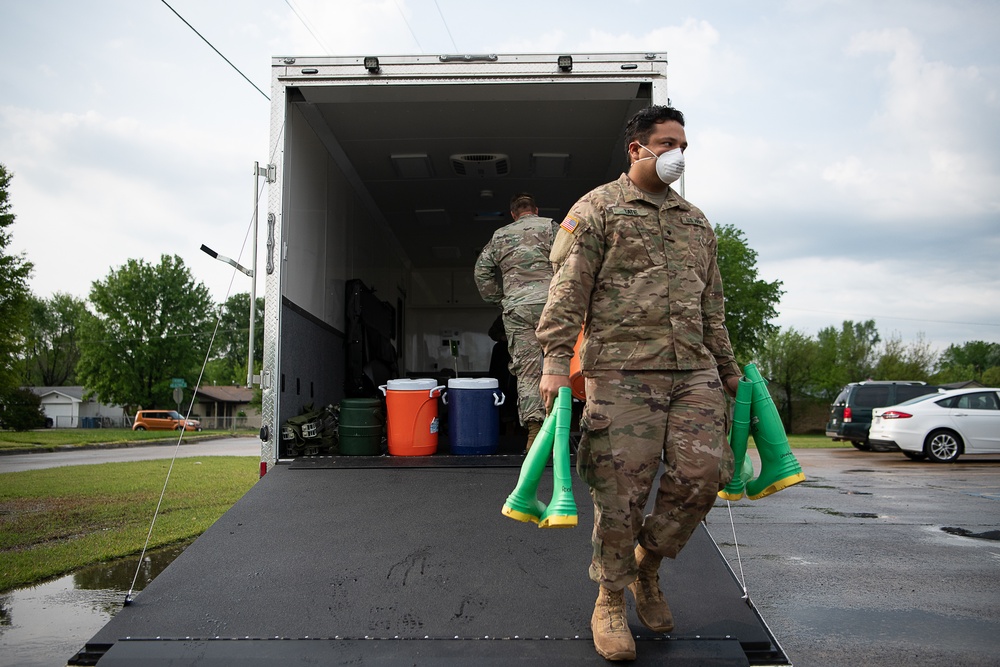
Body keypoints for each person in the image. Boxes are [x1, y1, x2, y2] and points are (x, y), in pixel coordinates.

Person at [536, 106, 741, 661]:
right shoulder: (598, 209)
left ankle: (647, 568)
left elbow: (713, 305)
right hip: (622, 372)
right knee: (620, 492)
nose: (679, 154)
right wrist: (555, 361)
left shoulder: (696, 221)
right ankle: (610, 598)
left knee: (704, 475)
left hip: (693, 370)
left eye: (684, 145)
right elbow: (568, 290)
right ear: (638, 149)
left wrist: (726, 365)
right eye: (669, 143)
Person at [474, 193, 559, 451]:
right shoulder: (551, 227)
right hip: (552, 306)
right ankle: (562, 430)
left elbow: (481, 271)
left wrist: (500, 299)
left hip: (518, 309)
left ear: (513, 214)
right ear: (536, 209)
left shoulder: (500, 235)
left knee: (528, 371)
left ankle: (535, 437)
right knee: (558, 366)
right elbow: (574, 259)